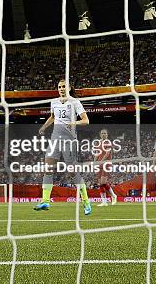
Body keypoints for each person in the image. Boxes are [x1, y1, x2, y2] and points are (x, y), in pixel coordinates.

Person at [35, 79, 92, 215]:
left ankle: (86, 202)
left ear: (69, 88)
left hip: (69, 140)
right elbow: (53, 117)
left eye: (64, 86)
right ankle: (45, 201)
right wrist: (43, 127)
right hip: (55, 138)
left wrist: (74, 123)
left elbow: (86, 120)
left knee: (73, 172)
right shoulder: (54, 102)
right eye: (59, 86)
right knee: (47, 168)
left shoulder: (75, 102)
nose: (61, 89)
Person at [94, 128, 117, 207]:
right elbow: (97, 153)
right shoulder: (99, 142)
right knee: (101, 183)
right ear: (100, 134)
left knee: (103, 182)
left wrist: (101, 161)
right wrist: (94, 162)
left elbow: (107, 153)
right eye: (102, 133)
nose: (103, 134)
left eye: (105, 133)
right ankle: (104, 202)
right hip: (99, 164)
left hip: (106, 164)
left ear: (107, 135)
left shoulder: (108, 142)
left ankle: (113, 196)